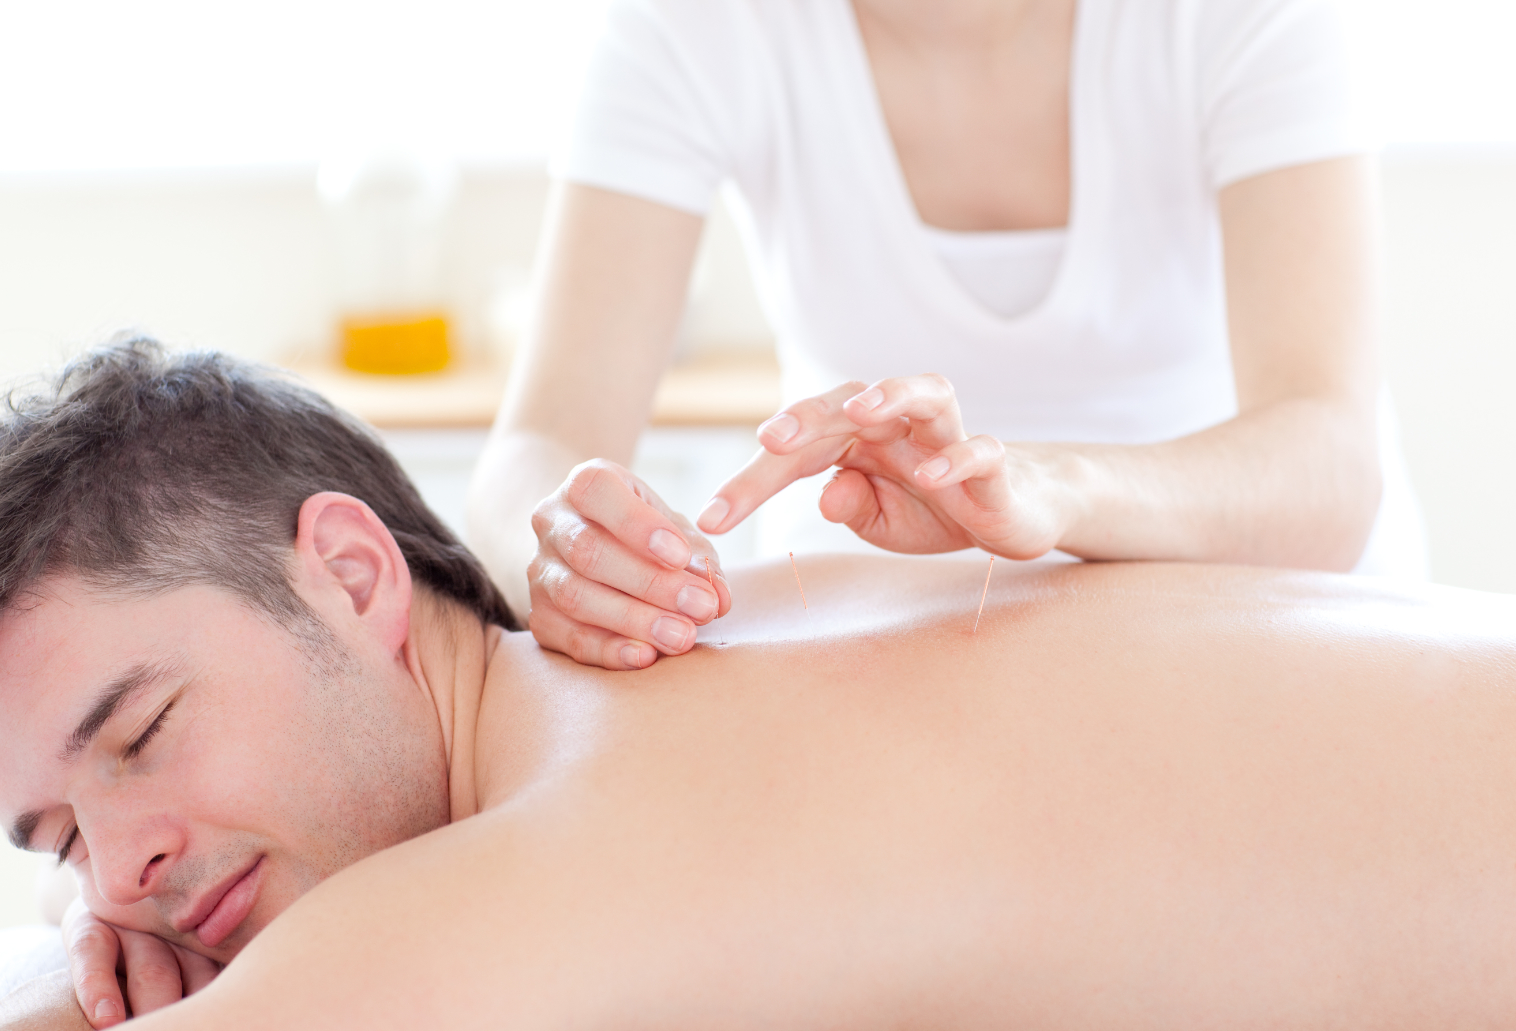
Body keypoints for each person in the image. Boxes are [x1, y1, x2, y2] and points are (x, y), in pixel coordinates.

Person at [0, 343, 1516, 1031]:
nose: (121, 876)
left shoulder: (562, 860)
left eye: (138, 737)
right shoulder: (746, 638)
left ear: (350, 573)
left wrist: (58, 966)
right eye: (54, 835)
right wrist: (94, 880)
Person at [467, 0, 1429, 674]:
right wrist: (570, 555)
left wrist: (1053, 488)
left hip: (1253, 609)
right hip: (881, 639)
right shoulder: (688, 25)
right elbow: (532, 453)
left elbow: (1329, 462)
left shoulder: (1245, 16)